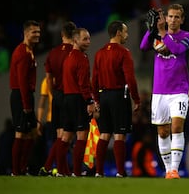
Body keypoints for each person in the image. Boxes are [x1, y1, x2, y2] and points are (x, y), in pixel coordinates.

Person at [140, 4, 189, 179]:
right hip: (159, 91)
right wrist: (152, 29)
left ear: (182, 19)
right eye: (170, 16)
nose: (172, 20)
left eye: (176, 17)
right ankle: (167, 169)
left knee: (177, 127)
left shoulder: (187, 36)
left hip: (179, 89)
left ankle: (174, 170)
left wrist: (163, 31)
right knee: (163, 132)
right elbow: (143, 47)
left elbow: (177, 49)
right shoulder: (157, 34)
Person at [92, 20, 140, 177]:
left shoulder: (99, 53)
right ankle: (120, 172)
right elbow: (130, 79)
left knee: (104, 134)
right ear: (119, 32)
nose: (127, 34)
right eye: (125, 31)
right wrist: (136, 99)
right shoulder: (123, 52)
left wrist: (97, 100)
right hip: (119, 96)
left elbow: (94, 80)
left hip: (104, 96)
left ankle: (99, 172)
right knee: (119, 135)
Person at [38, 21, 76, 176]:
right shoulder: (74, 52)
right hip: (70, 95)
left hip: (57, 96)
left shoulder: (52, 53)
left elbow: (48, 78)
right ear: (74, 35)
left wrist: (54, 93)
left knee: (61, 136)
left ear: (61, 35)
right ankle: (48, 167)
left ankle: (61, 170)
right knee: (68, 136)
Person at [56, 28, 95, 177]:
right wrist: (90, 101)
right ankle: (77, 173)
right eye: (85, 39)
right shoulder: (81, 58)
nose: (88, 42)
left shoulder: (68, 57)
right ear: (75, 40)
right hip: (78, 99)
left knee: (65, 136)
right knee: (81, 136)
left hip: (67, 99)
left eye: (89, 39)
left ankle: (61, 171)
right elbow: (83, 84)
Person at [9, 20, 41, 176]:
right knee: (20, 133)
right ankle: (16, 171)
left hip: (25, 95)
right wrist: (27, 107)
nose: (37, 35)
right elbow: (22, 82)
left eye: (39, 32)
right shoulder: (22, 52)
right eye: (34, 32)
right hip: (20, 96)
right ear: (25, 33)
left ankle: (22, 169)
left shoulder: (29, 50)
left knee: (30, 134)